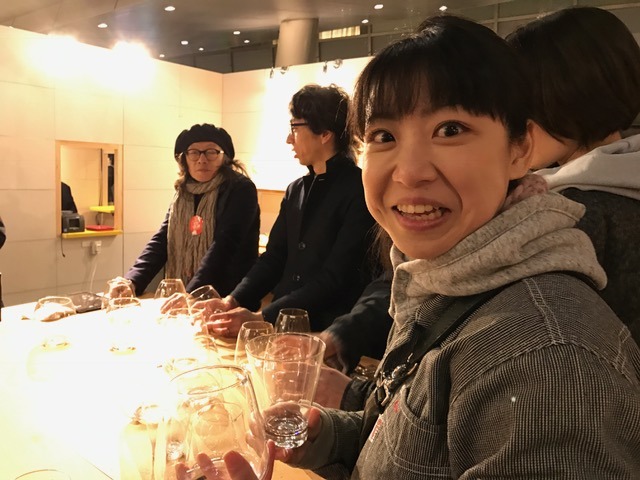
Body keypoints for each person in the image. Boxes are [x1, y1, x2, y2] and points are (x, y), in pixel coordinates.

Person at [183, 14, 640, 479]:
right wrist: (332, 436)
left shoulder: (547, 361)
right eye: (384, 137)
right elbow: (419, 440)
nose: (409, 172)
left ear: (520, 148)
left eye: (450, 129)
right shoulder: (444, 279)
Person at [506, 6, 640, 343]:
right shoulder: (625, 173)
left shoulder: (571, 212)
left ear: (571, 98)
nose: (511, 127)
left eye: (520, 110)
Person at [202, 84, 376, 335]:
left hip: (329, 331)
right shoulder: (296, 189)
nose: (289, 138)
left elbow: (336, 277)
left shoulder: (360, 189)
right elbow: (274, 257)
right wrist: (232, 300)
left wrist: (263, 317)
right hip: (282, 325)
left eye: (295, 128)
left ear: (325, 133)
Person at [123, 123, 260, 298]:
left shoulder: (240, 189)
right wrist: (132, 281)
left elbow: (224, 246)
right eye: (194, 152)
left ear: (224, 158)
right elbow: (162, 240)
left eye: (211, 152)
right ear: (184, 159)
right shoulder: (183, 191)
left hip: (227, 296)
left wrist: (190, 294)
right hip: (186, 293)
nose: (202, 159)